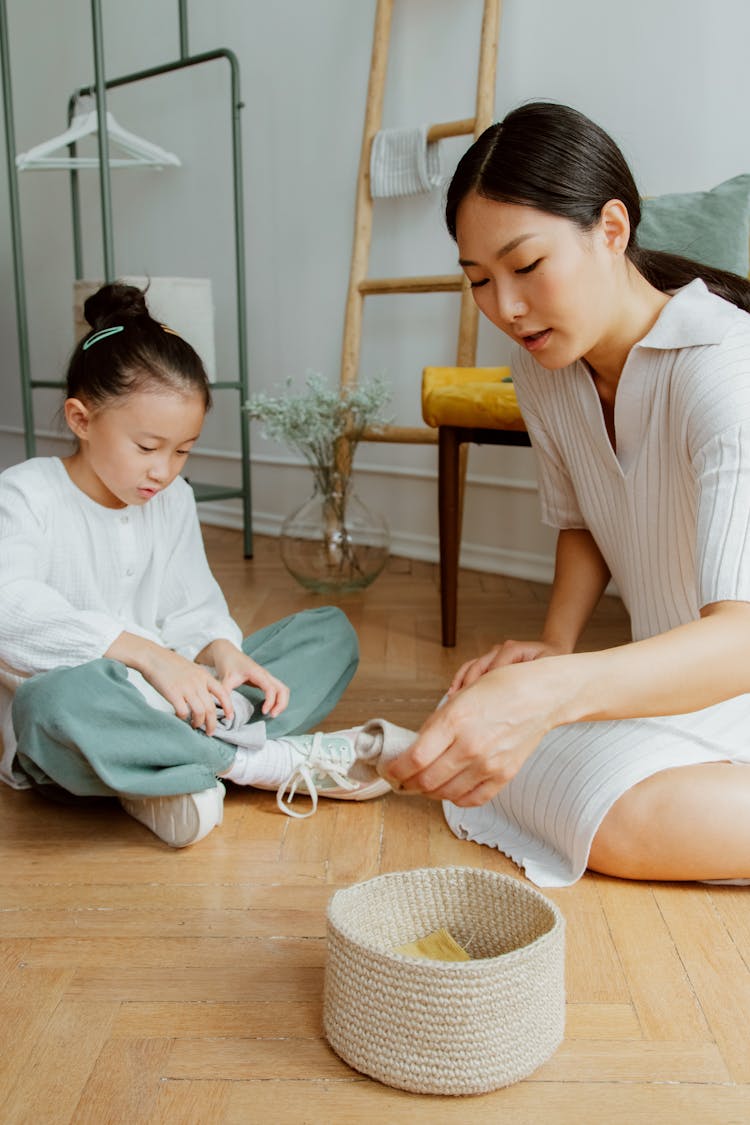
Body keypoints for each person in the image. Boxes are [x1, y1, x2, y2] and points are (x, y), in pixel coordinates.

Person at [384, 101, 750, 887]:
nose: (505, 308)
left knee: (610, 811)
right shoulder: (547, 368)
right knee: (505, 759)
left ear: (611, 229)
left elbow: (742, 637)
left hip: (729, 669)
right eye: (479, 280)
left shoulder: (725, 369)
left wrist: (555, 689)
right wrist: (555, 647)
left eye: (525, 266)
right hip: (674, 682)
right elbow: (584, 516)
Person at [0, 282, 389, 848]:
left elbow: (191, 605)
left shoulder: (171, 497)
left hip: (179, 704)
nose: (164, 470)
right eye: (147, 446)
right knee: (50, 703)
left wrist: (221, 651)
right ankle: (263, 763)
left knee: (329, 633)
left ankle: (169, 774)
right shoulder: (25, 493)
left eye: (182, 450)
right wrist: (150, 657)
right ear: (81, 420)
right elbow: (9, 610)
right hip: (87, 719)